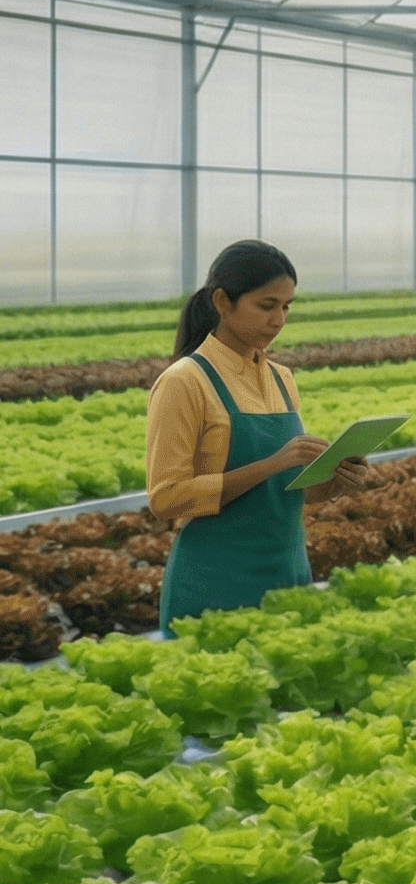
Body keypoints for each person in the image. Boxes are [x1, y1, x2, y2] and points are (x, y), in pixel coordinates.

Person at [146, 239, 382, 629]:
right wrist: (270, 464)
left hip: (287, 572)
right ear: (222, 302)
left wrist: (335, 482)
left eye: (287, 307)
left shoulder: (280, 377)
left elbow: (285, 493)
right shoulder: (184, 382)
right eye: (266, 305)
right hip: (216, 581)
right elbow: (166, 499)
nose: (279, 320)